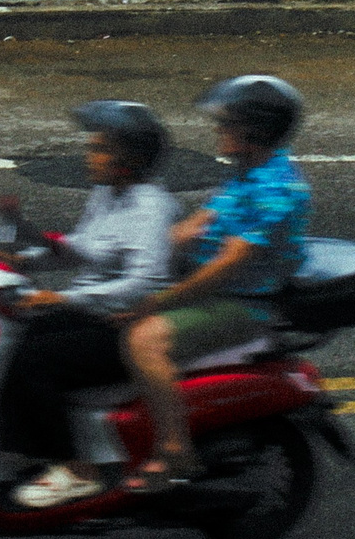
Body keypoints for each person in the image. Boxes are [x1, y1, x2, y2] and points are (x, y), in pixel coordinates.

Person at [116, 76, 311, 494]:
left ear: (255, 130)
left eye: (228, 122)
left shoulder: (277, 188)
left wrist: (157, 301)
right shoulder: (247, 172)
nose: (218, 128)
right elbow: (194, 227)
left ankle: (174, 450)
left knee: (144, 339)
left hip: (243, 303)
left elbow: (227, 264)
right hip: (212, 289)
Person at [0, 101, 178, 510]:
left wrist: (63, 297)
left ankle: (79, 470)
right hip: (93, 312)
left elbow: (140, 284)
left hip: (124, 325)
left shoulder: (150, 209)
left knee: (34, 362)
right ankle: (23, 445)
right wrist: (25, 258)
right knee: (9, 341)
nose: (88, 156)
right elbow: (80, 250)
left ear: (127, 162)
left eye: (99, 149)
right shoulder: (106, 194)